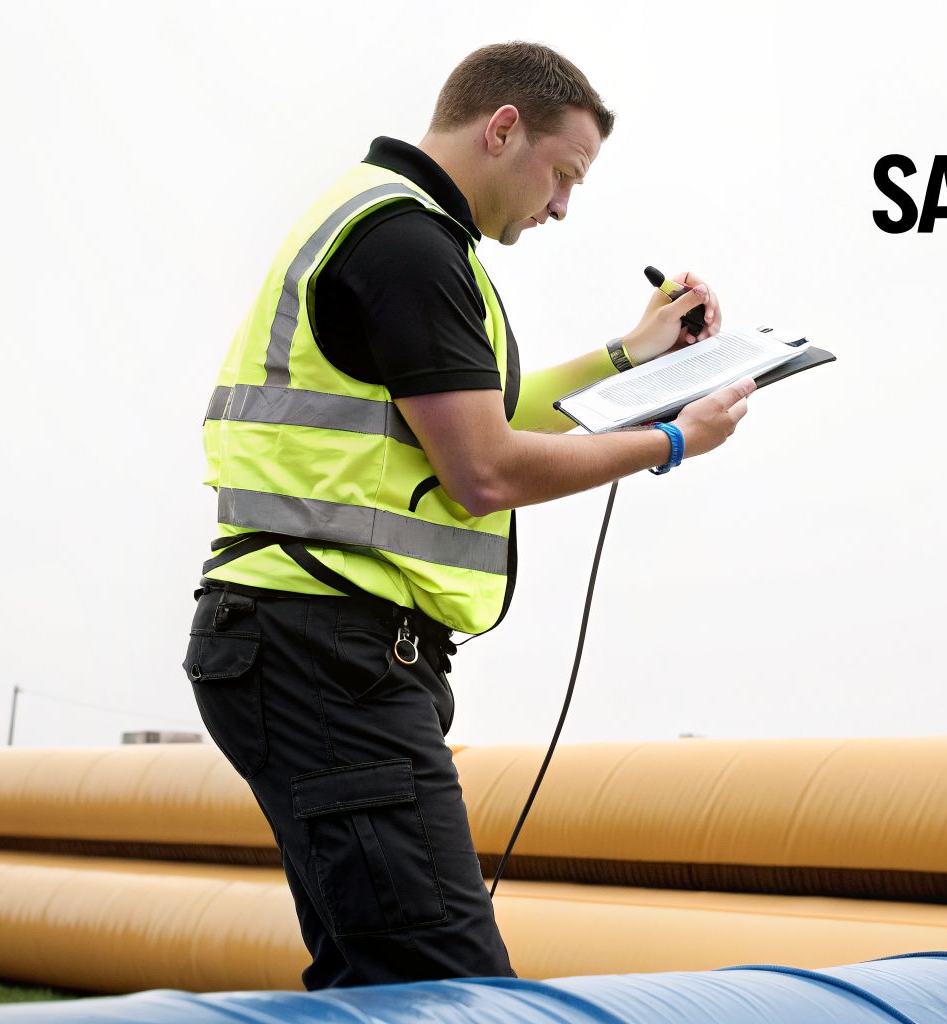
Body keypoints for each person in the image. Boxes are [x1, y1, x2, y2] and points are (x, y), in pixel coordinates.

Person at [182, 40, 755, 989]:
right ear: (503, 130)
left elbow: (486, 410)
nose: (563, 205)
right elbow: (483, 467)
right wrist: (675, 441)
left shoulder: (386, 222)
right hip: (328, 651)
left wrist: (633, 356)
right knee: (451, 994)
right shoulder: (408, 245)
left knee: (377, 985)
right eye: (563, 173)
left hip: (304, 644)